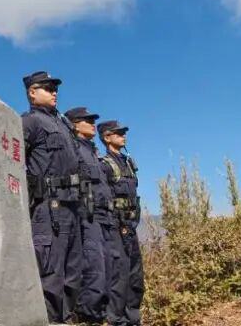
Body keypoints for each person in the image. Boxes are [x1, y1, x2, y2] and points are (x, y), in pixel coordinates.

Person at [22, 71, 83, 323]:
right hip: (49, 207)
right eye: (47, 88)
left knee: (73, 272)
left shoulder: (63, 125)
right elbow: (14, 160)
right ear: (32, 92)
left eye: (55, 88)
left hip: (71, 204)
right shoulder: (30, 122)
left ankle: (66, 319)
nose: (54, 92)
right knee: (51, 272)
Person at [64, 106, 117, 325]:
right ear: (75, 125)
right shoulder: (74, 148)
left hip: (103, 218)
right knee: (93, 269)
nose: (92, 124)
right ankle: (85, 316)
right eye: (87, 120)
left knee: (108, 271)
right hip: (87, 216)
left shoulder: (93, 152)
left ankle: (97, 317)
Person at [99, 120, 144, 326]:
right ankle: (116, 320)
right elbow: (104, 198)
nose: (123, 136)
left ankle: (132, 319)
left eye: (123, 132)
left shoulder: (128, 163)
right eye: (118, 133)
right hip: (116, 227)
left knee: (135, 276)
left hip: (131, 225)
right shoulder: (104, 164)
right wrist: (116, 223)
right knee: (119, 275)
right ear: (107, 137)